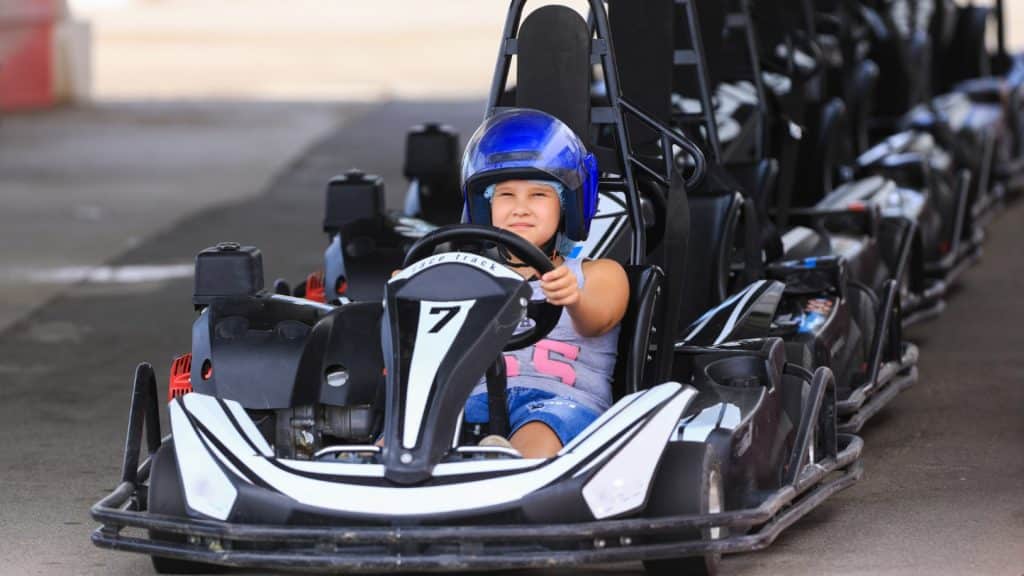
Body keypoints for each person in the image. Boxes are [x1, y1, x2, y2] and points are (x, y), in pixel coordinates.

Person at [459, 109, 629, 458]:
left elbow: (598, 319)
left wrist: (574, 299)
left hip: (563, 403)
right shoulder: (468, 276)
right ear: (483, 206)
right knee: (423, 423)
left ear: (566, 206)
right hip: (472, 402)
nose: (520, 208)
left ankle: (507, 472)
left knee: (539, 432)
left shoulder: (598, 274)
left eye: (538, 195)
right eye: (506, 195)